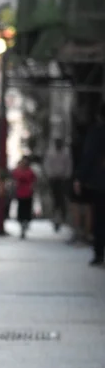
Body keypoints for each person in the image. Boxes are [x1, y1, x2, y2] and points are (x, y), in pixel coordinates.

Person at [75, 103, 105, 265]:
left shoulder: (97, 132)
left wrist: (80, 178)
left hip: (100, 183)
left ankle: (99, 252)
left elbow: (89, 155)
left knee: (100, 218)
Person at [43, 138, 72, 232]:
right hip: (53, 179)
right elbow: (47, 165)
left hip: (63, 179)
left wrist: (66, 176)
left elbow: (69, 165)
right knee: (55, 199)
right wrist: (50, 175)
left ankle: (62, 217)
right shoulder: (50, 152)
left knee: (62, 199)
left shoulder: (66, 152)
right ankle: (56, 217)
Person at [12, 157, 37, 239]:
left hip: (28, 193)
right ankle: (22, 224)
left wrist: (32, 187)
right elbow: (14, 179)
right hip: (20, 193)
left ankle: (25, 223)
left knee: (27, 209)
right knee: (21, 209)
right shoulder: (17, 171)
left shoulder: (30, 171)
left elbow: (34, 180)